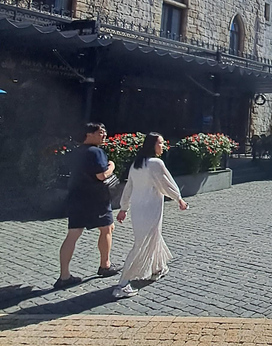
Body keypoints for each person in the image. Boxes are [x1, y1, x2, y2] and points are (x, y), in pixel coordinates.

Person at [113, 133, 188, 298]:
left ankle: (157, 268)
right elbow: (167, 183)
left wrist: (124, 208)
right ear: (153, 145)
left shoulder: (136, 165)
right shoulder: (156, 163)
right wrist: (179, 199)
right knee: (141, 244)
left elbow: (129, 187)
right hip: (150, 209)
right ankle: (122, 284)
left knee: (153, 238)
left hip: (139, 210)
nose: (163, 146)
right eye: (160, 143)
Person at [55, 123, 121, 289]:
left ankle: (64, 276)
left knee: (73, 234)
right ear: (88, 134)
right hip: (96, 199)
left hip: (76, 198)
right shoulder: (96, 152)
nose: (104, 135)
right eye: (100, 132)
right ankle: (105, 265)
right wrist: (112, 166)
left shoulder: (75, 152)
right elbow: (102, 175)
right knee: (106, 228)